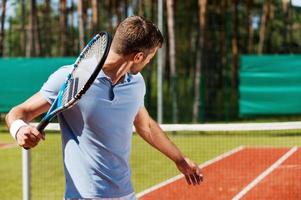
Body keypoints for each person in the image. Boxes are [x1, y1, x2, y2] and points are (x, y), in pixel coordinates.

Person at [5, 16, 203, 200]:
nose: (150, 61)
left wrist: (180, 160)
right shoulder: (71, 78)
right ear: (138, 57)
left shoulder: (136, 84)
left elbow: (146, 126)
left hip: (125, 194)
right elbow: (19, 112)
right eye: (150, 57)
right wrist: (19, 129)